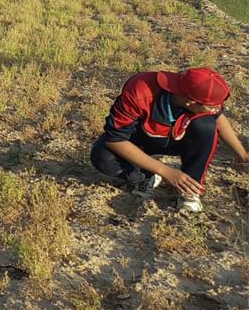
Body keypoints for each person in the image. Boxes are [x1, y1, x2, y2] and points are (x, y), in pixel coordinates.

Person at [90, 68, 248, 212]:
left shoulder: (199, 95)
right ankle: (147, 176)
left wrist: (243, 156)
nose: (217, 108)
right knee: (102, 156)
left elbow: (218, 117)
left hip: (177, 139)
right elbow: (115, 139)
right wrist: (165, 171)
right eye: (212, 106)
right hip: (141, 139)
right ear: (190, 101)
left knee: (206, 125)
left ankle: (189, 190)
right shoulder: (140, 90)